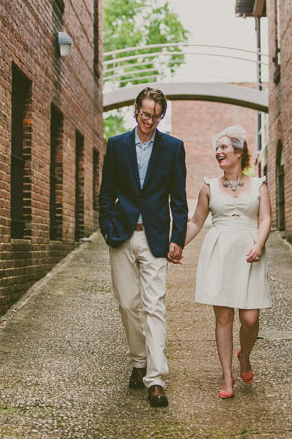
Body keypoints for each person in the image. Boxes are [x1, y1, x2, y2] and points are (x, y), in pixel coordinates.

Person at [98, 87, 187, 407]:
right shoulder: (117, 145)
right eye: (146, 114)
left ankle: (155, 377)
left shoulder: (173, 148)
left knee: (154, 306)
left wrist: (177, 239)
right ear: (135, 110)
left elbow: (179, 199)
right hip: (122, 235)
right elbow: (106, 193)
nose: (150, 121)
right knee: (127, 303)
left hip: (155, 238)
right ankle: (138, 361)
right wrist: (107, 229)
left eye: (157, 116)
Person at [182, 124, 271, 399]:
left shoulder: (258, 184)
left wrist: (259, 244)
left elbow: (265, 218)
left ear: (238, 151)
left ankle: (244, 357)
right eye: (216, 148)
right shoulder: (209, 186)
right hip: (219, 252)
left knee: (250, 319)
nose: (218, 152)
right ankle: (226, 377)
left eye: (223, 147)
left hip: (249, 254)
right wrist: (174, 246)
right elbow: (196, 222)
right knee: (224, 318)